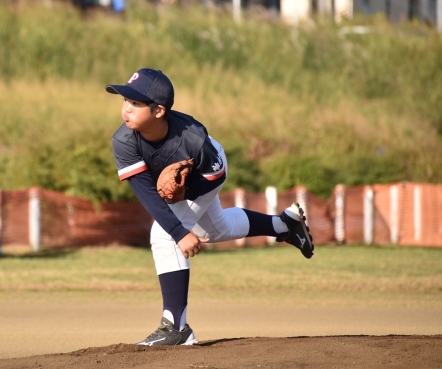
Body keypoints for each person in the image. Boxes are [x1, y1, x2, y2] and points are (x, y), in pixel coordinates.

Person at [105, 68, 314, 346]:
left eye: (135, 102)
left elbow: (216, 175)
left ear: (159, 110)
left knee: (164, 236)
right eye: (125, 100)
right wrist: (181, 230)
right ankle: (285, 225)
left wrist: (182, 217)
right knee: (216, 229)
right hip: (185, 184)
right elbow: (147, 194)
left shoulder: (194, 139)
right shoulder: (123, 141)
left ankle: (176, 328)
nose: (126, 108)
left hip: (207, 174)